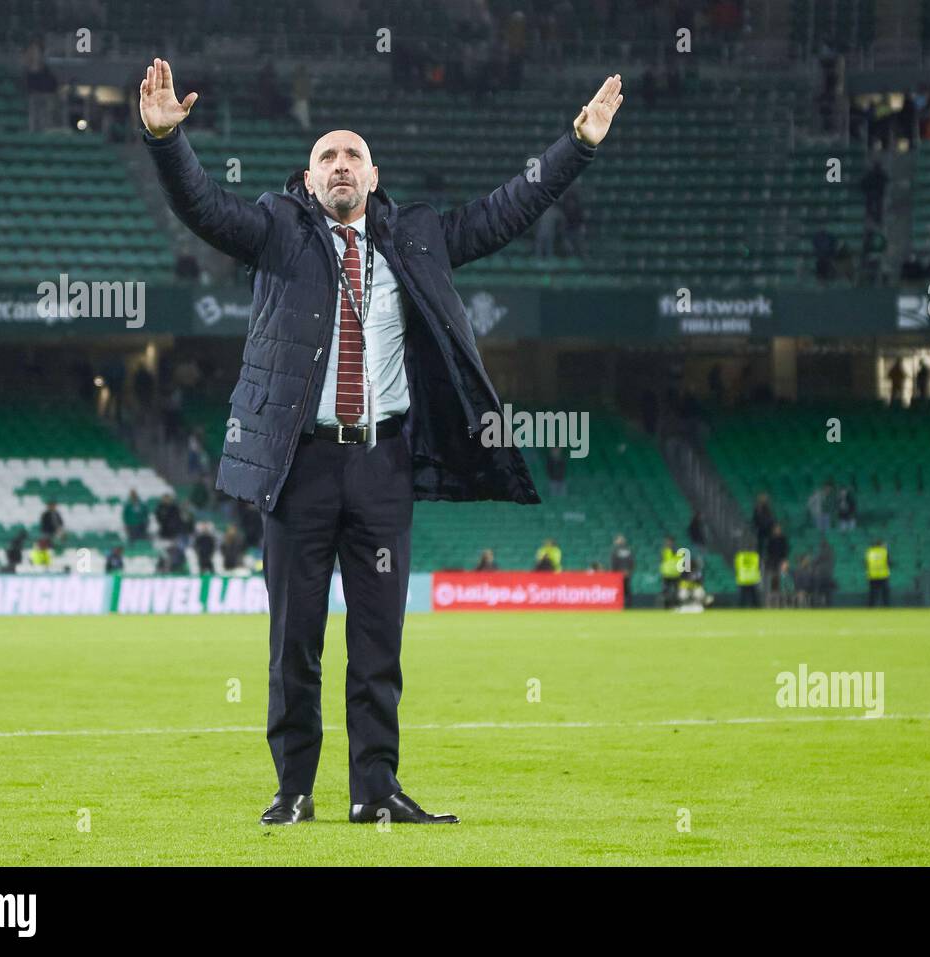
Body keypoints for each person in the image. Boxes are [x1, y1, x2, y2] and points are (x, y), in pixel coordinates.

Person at [141, 56, 621, 827]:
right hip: (299, 467)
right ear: (307, 179)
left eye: (352, 156)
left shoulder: (419, 236)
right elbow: (205, 209)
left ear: (372, 175)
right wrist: (166, 140)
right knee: (294, 641)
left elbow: (506, 210)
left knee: (378, 643)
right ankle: (293, 789)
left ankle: (376, 790)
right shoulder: (276, 230)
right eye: (326, 156)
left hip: (383, 467)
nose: (339, 166)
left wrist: (579, 143)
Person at [765, 523, 789, 608]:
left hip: (781, 563)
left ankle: (783, 601)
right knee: (773, 582)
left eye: (779, 528)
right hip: (772, 563)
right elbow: (768, 552)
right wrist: (768, 564)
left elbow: (785, 551)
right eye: (776, 529)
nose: (778, 530)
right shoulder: (770, 539)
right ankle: (772, 601)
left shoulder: (783, 539)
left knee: (784, 582)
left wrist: (785, 561)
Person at [733, 538, 761, 608]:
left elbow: (736, 566)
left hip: (743, 578)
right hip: (752, 578)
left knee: (742, 596)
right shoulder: (755, 556)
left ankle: (741, 608)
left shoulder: (740, 556)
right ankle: (756, 607)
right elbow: (758, 566)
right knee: (753, 596)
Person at [609, 534, 634, 608]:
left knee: (620, 590)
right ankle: (628, 605)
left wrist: (614, 573)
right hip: (626, 573)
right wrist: (629, 571)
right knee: (627, 589)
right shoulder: (629, 550)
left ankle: (619, 605)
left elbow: (614, 562)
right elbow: (632, 562)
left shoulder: (615, 551)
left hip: (618, 574)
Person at [659, 536, 683, 609]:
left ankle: (674, 605)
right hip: (668, 573)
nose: (667, 543)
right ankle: (668, 605)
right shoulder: (666, 551)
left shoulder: (666, 551)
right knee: (668, 591)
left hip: (674, 573)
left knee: (675, 591)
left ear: (672, 542)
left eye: (668, 541)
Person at [865, 539, 890, 607]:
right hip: (883, 575)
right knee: (885, 593)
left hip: (872, 575)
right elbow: (888, 562)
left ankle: (871, 606)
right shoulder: (884, 551)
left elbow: (866, 563)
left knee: (872, 593)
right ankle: (886, 606)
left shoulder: (869, 551)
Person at [752, 493, 775, 558]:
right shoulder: (757, 508)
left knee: (770, 544)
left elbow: (771, 518)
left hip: (768, 529)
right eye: (762, 498)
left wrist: (771, 525)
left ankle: (768, 557)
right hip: (761, 529)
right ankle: (760, 558)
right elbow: (755, 519)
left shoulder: (768, 508)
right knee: (760, 546)